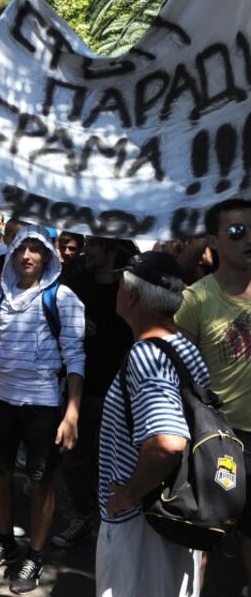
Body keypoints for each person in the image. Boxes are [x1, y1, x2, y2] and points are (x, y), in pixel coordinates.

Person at [0, 224, 86, 594]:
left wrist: (72, 413)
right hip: (1, 399)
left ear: (48, 256)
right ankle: (5, 540)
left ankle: (34, 555)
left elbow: (76, 357)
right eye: (21, 249)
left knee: (41, 482)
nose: (27, 256)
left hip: (43, 406)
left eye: (35, 250)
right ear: (13, 253)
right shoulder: (1, 296)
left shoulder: (62, 298)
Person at [96, 251, 208, 596]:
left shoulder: (147, 357)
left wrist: (126, 496)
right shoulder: (183, 348)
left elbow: (168, 442)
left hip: (141, 523)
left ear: (130, 296)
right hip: (176, 512)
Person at [175, 197, 251, 594]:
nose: (248, 239)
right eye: (238, 232)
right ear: (214, 242)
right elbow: (181, 374)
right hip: (218, 439)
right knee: (205, 530)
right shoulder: (196, 300)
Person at [50, 236, 137, 549]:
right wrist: (75, 319)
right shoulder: (77, 279)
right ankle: (82, 519)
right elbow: (52, 309)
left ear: (113, 250)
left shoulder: (130, 286)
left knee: (115, 460)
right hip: (83, 385)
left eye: (96, 244)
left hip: (122, 388)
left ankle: (115, 523)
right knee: (74, 457)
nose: (87, 249)